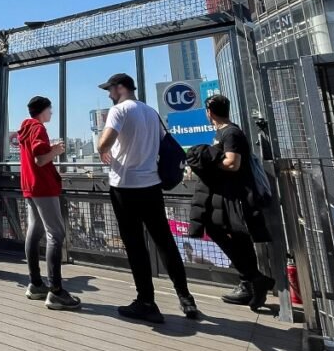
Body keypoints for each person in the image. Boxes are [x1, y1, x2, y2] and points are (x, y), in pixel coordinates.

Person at [96, 74, 199, 323]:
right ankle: (186, 298)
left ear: (120, 88)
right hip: (151, 185)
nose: (109, 95)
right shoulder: (151, 112)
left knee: (135, 245)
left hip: (125, 187)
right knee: (164, 241)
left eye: (110, 90)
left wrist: (102, 148)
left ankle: (146, 301)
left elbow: (105, 142)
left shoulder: (119, 110)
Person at [186, 94, 275, 310]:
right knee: (236, 237)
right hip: (229, 195)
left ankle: (252, 279)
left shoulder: (231, 133)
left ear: (210, 112)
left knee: (224, 232)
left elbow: (232, 163)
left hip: (236, 196)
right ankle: (250, 282)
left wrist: (206, 162)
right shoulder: (224, 133)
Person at [18, 96, 81, 310]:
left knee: (34, 233)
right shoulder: (38, 128)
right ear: (42, 110)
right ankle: (56, 292)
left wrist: (49, 149)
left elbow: (35, 155)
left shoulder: (26, 127)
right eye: (50, 109)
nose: (52, 113)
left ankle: (36, 284)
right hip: (43, 187)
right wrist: (56, 151)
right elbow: (41, 159)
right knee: (56, 234)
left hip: (29, 186)